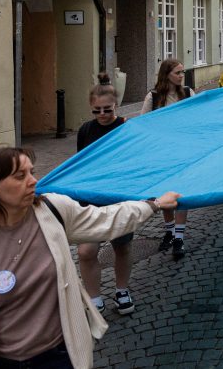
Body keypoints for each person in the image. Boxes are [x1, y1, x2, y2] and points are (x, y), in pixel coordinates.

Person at [0, 147, 180, 368]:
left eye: (31, 172)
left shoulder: (52, 209)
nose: (33, 181)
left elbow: (107, 219)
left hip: (59, 355)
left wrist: (153, 205)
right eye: (20, 176)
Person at [75, 74, 137, 316]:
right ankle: (95, 298)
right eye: (96, 110)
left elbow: (135, 162)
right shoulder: (85, 130)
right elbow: (79, 164)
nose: (101, 115)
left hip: (118, 198)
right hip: (91, 201)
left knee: (121, 247)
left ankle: (122, 291)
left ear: (116, 105)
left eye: (107, 110)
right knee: (85, 251)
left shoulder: (125, 128)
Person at [142, 59, 195, 259]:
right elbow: (142, 124)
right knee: (165, 193)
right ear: (167, 75)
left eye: (183, 72)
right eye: (178, 73)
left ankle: (179, 237)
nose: (181, 76)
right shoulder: (154, 97)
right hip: (161, 153)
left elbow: (200, 117)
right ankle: (170, 231)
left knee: (182, 193)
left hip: (183, 151)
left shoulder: (188, 93)